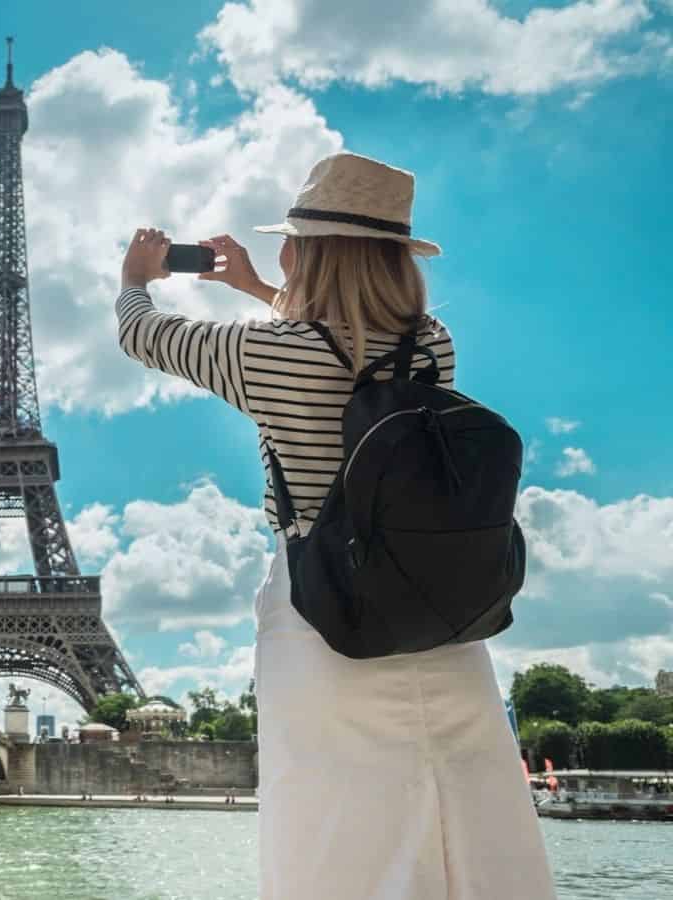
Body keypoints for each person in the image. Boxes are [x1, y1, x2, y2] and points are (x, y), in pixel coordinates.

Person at [115, 152, 556, 900]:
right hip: (442, 613)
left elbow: (141, 334)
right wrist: (258, 287)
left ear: (308, 250)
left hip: (324, 611)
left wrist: (136, 276)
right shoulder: (433, 346)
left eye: (292, 237)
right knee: (467, 817)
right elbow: (351, 344)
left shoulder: (261, 353)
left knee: (335, 823)